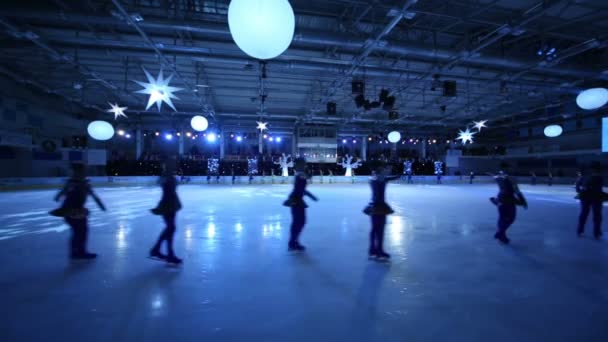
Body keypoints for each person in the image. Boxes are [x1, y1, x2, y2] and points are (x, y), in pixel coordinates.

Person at [50, 163, 106, 259]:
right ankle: (79, 252)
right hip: (71, 211)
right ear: (79, 172)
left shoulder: (79, 182)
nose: (86, 172)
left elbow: (62, 193)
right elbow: (63, 192)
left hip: (74, 211)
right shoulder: (77, 182)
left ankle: (77, 252)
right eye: (84, 171)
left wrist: (59, 196)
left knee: (80, 231)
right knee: (80, 231)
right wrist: (100, 204)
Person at [150, 161, 183, 264]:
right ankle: (165, 253)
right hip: (167, 205)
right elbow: (162, 184)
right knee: (171, 228)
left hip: (171, 204)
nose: (173, 167)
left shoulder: (169, 176)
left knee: (170, 228)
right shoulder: (166, 177)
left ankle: (158, 250)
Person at [363, 165, 400, 260]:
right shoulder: (378, 180)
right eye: (385, 170)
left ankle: (376, 251)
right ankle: (376, 251)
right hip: (378, 207)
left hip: (377, 207)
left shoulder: (379, 179)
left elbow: (390, 177)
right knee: (377, 229)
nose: (387, 172)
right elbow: (385, 178)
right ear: (380, 172)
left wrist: (397, 175)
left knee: (377, 230)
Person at [283, 158, 318, 251]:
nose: (304, 165)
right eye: (302, 164)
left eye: (304, 164)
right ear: (297, 165)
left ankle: (293, 242)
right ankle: (293, 242)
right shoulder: (299, 175)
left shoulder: (300, 175)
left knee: (299, 222)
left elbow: (302, 188)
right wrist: (308, 176)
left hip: (297, 200)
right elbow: (301, 184)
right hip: (296, 201)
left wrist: (311, 196)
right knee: (299, 222)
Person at [489, 165, 528, 244]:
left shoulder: (499, 179)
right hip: (508, 202)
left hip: (500, 200)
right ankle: (500, 233)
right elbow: (517, 192)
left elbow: (495, 177)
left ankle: (500, 233)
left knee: (502, 218)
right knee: (510, 219)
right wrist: (523, 201)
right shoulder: (511, 180)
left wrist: (494, 175)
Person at [576, 163, 605, 239]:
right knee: (597, 215)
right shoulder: (599, 177)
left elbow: (578, 186)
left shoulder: (585, 176)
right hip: (596, 198)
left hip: (586, 197)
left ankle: (580, 230)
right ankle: (597, 232)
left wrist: (580, 191)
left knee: (584, 214)